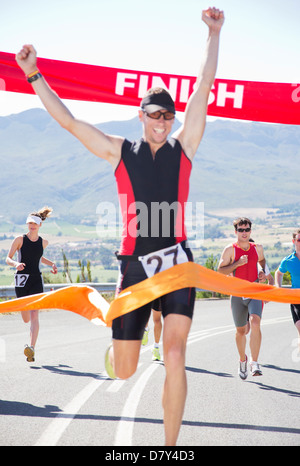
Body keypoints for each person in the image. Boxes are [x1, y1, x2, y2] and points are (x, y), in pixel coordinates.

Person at [15, 7, 224, 445]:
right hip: (133, 268)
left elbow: (202, 91)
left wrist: (213, 33)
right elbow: (70, 122)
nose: (161, 122)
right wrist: (34, 74)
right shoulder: (118, 150)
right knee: (126, 370)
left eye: (167, 116)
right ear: (141, 115)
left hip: (177, 264)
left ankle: (170, 448)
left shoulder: (185, 148)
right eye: (154, 115)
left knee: (176, 354)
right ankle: (120, 352)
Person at [217, 217, 274, 379]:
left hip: (254, 290)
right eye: (241, 230)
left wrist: (262, 273)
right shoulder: (230, 250)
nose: (244, 233)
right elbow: (220, 271)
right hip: (236, 293)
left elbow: (262, 261)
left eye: (247, 229)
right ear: (235, 232)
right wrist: (237, 264)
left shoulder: (258, 248)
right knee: (241, 331)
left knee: (255, 322)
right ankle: (243, 359)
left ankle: (255, 363)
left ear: (250, 231)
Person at [6, 207, 57, 362]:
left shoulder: (43, 242)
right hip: (21, 280)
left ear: (40, 225)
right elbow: (8, 258)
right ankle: (31, 345)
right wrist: (15, 264)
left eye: (34, 223)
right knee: (26, 318)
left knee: (35, 314)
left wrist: (52, 264)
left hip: (36, 280)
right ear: (27, 224)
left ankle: (32, 348)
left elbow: (38, 257)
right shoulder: (19, 240)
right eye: (29, 223)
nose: (32, 226)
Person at [275, 229, 300, 354]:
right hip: (296, 298)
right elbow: (278, 273)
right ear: (294, 241)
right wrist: (278, 288)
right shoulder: (288, 261)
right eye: (299, 240)